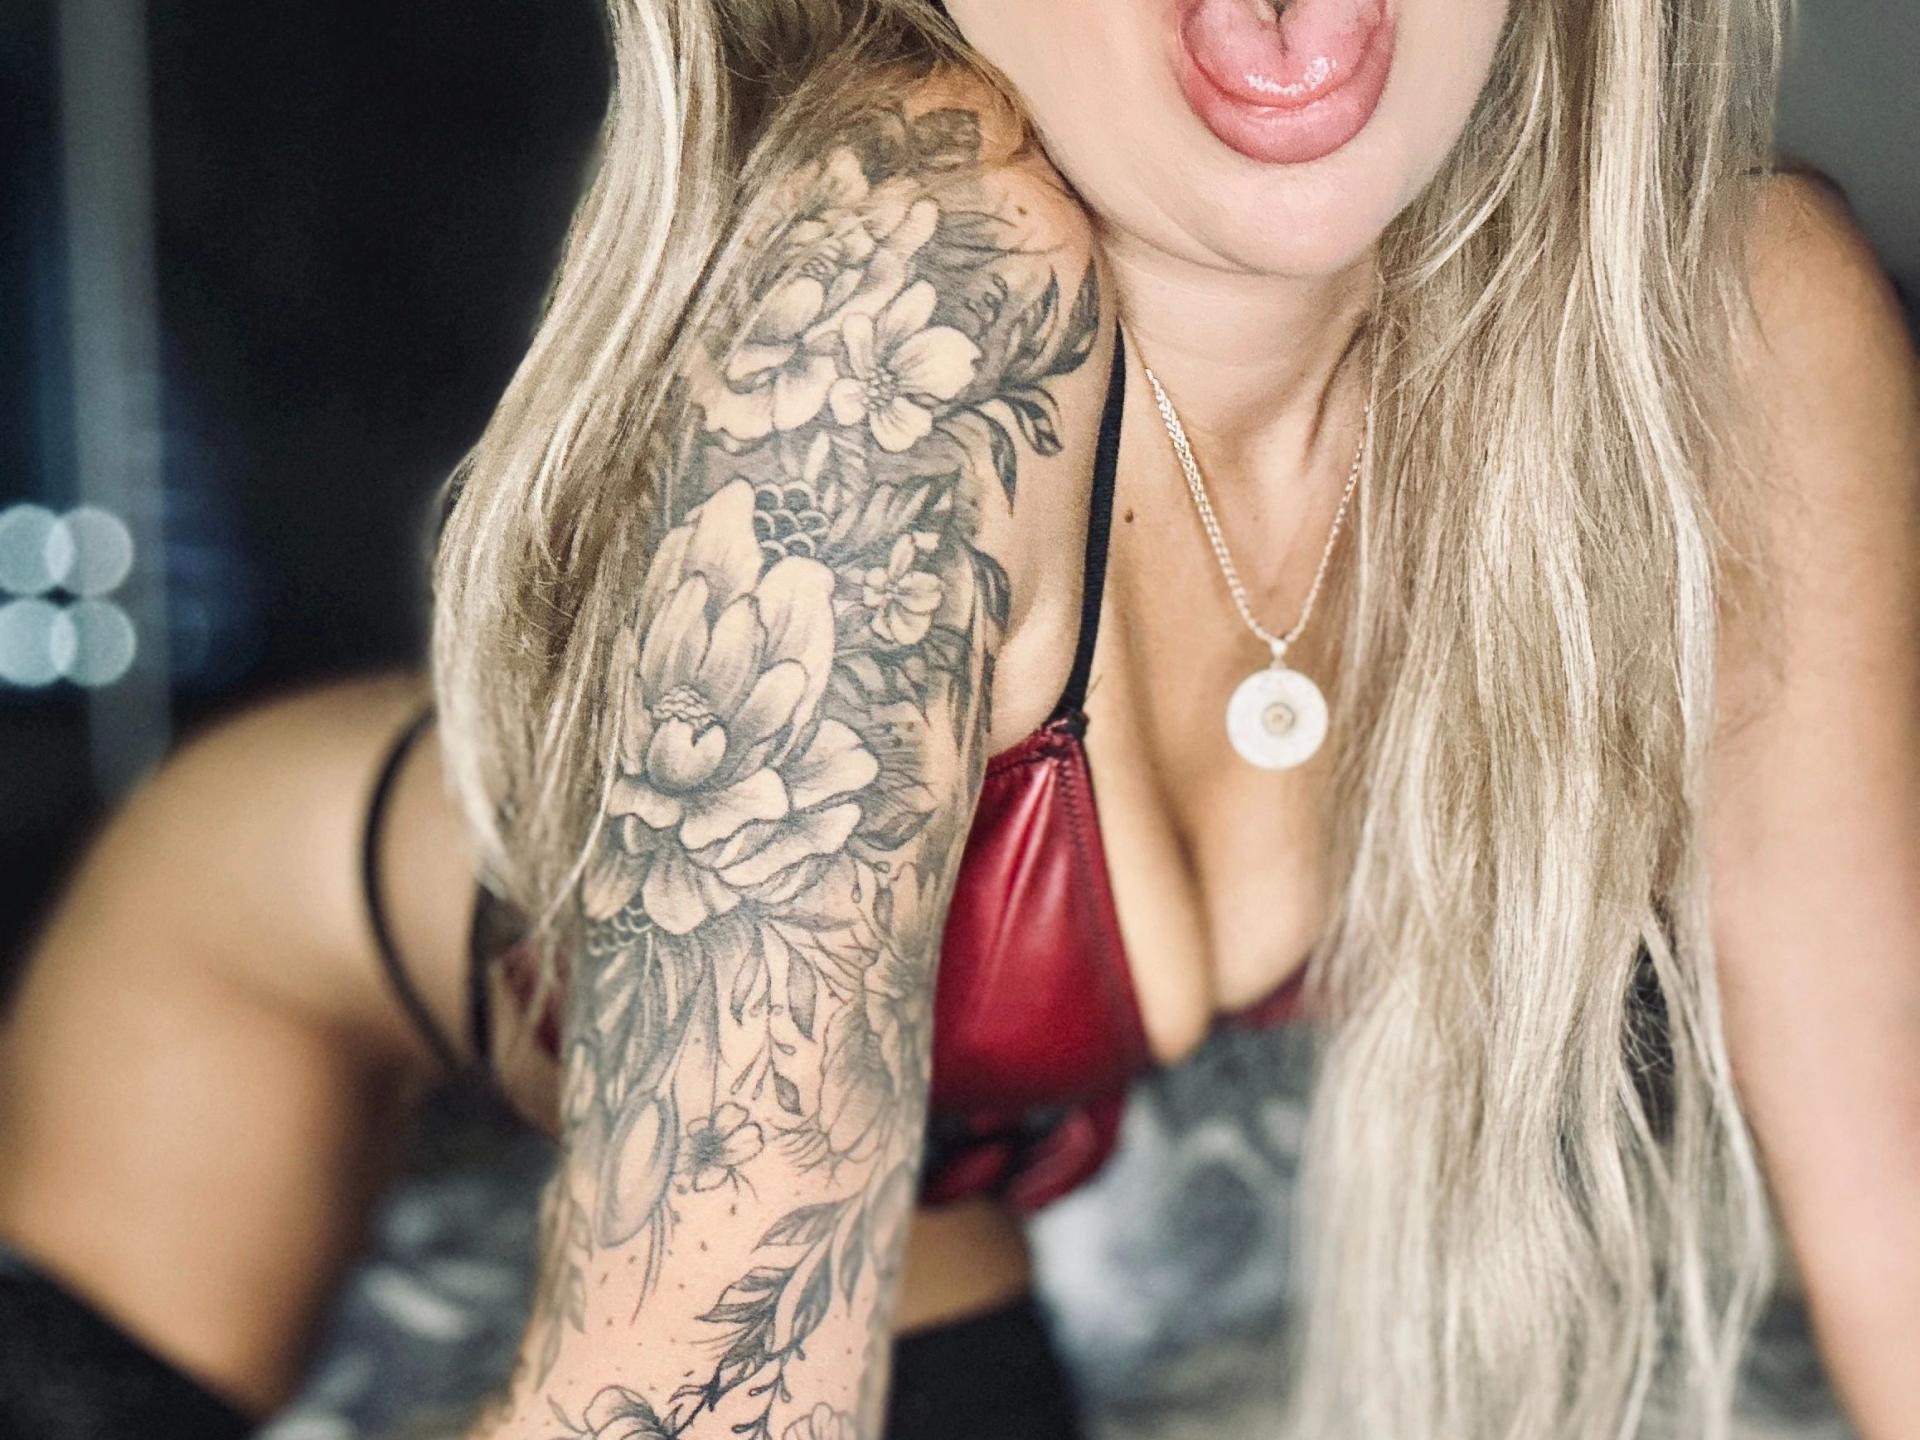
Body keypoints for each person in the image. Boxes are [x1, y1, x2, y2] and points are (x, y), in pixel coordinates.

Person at [4, 1, 1918, 1438]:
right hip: (270, 978)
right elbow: (684, 1404)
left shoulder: (1727, 354)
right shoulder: (907, 315)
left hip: (934, 1156)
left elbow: (1891, 1216)